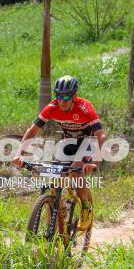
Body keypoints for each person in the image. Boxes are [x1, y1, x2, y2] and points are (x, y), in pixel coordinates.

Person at [12, 75, 106, 233]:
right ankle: (58, 214)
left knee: (75, 173)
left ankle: (85, 207)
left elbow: (100, 135)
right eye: (59, 96)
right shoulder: (52, 107)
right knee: (56, 177)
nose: (62, 101)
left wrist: (95, 162)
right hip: (67, 143)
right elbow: (33, 130)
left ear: (74, 96)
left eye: (67, 97)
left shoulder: (84, 107)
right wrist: (18, 154)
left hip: (87, 142)